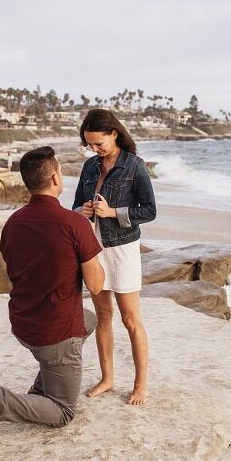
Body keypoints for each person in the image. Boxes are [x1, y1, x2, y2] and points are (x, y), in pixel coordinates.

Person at [0, 146, 105, 448]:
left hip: (23, 323)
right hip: (55, 333)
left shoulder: (13, 223)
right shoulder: (74, 223)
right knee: (63, 412)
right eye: (60, 171)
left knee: (89, 319)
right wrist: (87, 239)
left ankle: (46, 380)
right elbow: (97, 285)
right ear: (54, 178)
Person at [72, 108, 156, 405]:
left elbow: (149, 211)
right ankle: (107, 379)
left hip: (122, 250)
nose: (94, 150)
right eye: (90, 145)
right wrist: (80, 212)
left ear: (114, 134)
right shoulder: (90, 167)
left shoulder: (135, 166)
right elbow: (73, 206)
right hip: (93, 249)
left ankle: (141, 385)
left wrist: (114, 213)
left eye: (99, 144)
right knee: (103, 316)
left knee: (131, 319)